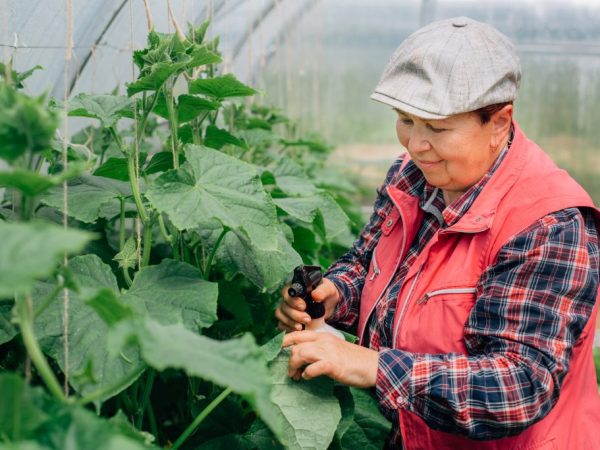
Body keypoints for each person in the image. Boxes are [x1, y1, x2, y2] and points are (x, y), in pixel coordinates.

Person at [275, 16, 600, 449]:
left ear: (499, 123)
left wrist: (373, 367)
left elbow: (520, 385)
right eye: (405, 119)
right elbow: (369, 264)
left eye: (437, 127)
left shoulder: (549, 224)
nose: (415, 143)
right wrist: (334, 294)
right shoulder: (414, 177)